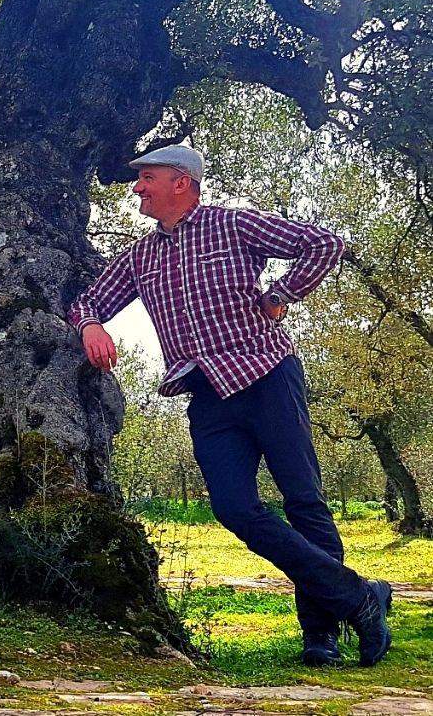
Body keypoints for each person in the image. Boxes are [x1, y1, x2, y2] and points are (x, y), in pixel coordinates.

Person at [68, 144, 392, 667]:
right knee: (234, 508)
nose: (137, 189)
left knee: (303, 501)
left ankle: (321, 635)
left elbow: (324, 244)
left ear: (181, 182)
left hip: (267, 377)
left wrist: (281, 294)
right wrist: (90, 326)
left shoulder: (233, 226)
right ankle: (359, 597)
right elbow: (88, 301)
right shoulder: (141, 255)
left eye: (146, 178)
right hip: (207, 394)